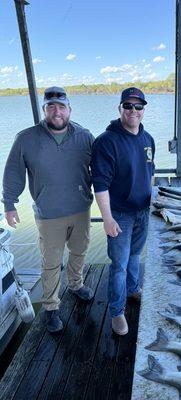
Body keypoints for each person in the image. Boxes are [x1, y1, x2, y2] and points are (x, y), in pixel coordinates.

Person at [2, 86, 95, 333]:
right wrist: (9, 204)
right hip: (48, 214)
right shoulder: (26, 138)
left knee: (79, 251)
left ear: (69, 109)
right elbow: (13, 172)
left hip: (80, 209)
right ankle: (52, 307)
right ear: (44, 109)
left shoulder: (85, 136)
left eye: (61, 106)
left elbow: (102, 170)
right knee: (50, 262)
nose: (57, 111)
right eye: (51, 106)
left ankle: (76, 284)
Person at [91, 87, 155, 335]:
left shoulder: (147, 139)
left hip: (143, 211)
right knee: (118, 264)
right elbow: (101, 184)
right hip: (119, 215)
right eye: (128, 106)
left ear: (143, 110)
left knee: (135, 256)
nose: (133, 111)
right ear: (119, 109)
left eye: (138, 107)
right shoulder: (106, 142)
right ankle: (117, 312)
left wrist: (153, 203)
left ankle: (133, 288)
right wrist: (107, 218)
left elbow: (150, 173)